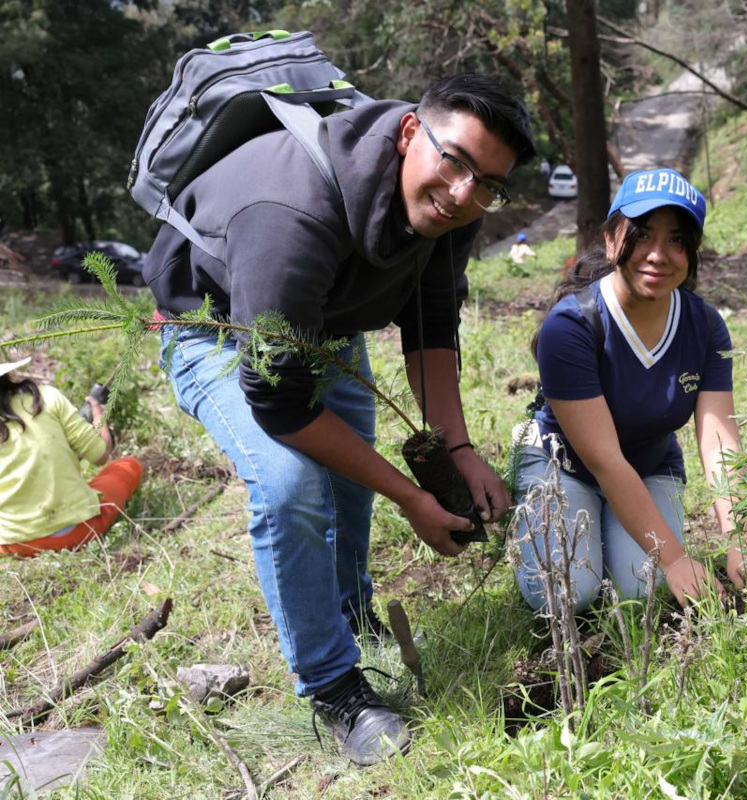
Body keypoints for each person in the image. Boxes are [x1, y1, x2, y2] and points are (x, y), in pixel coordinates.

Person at [141, 74, 535, 765]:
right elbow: (282, 404)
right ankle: (333, 688)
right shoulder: (290, 212)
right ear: (412, 132)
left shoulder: (454, 206)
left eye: (490, 185)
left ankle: (352, 611)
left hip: (322, 319)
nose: (465, 194)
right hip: (219, 328)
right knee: (292, 486)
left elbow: (431, 321)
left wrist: (461, 449)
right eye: (457, 162)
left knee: (353, 479)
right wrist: (413, 497)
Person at [514, 168, 747, 615]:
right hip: (566, 466)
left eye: (676, 240)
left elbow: (719, 442)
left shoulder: (705, 325)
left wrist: (740, 540)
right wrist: (674, 559)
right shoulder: (570, 327)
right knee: (569, 593)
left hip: (650, 465)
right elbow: (605, 461)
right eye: (643, 235)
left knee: (638, 590)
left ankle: (618, 536)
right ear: (612, 238)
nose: (657, 255)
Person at [0, 357, 143, 558]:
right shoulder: (45, 397)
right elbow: (101, 454)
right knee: (129, 465)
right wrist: (98, 417)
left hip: (13, 545)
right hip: (78, 532)